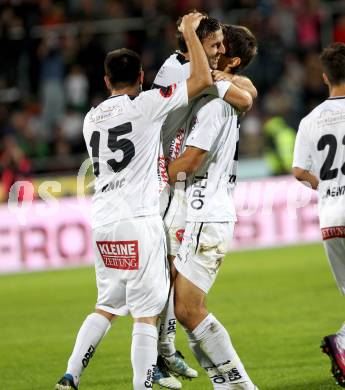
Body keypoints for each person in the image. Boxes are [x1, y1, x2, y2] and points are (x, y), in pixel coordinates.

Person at [55, 12, 213, 390]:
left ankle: (70, 375)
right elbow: (202, 79)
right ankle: (143, 385)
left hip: (103, 220)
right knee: (146, 315)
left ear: (106, 80)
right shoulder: (146, 104)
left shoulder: (91, 118)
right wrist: (190, 31)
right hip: (140, 218)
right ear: (141, 78)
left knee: (107, 304)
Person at [152, 18, 257, 389]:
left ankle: (239, 385)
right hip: (196, 210)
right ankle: (220, 381)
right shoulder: (210, 88)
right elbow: (245, 93)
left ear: (230, 59)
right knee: (178, 303)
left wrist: (153, 174)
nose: (215, 51)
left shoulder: (216, 104)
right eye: (212, 45)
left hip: (205, 213)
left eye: (219, 47)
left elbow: (191, 163)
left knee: (189, 308)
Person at [292, 42, 345, 387]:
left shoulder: (310, 120)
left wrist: (324, 185)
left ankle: (343, 346)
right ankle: (341, 342)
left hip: (331, 218)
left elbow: (299, 170)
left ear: (325, 77)